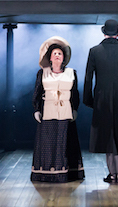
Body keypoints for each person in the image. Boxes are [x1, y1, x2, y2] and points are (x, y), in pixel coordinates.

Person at [83, 19, 118, 184]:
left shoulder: (94, 51)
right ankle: (117, 173)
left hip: (102, 98)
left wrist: (89, 100)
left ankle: (113, 174)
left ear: (104, 32)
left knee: (108, 136)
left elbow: (88, 78)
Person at [31, 36, 84, 182]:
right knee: (48, 142)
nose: (57, 56)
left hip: (65, 111)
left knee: (64, 142)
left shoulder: (71, 73)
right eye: (54, 53)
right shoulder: (42, 73)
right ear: (50, 57)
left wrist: (74, 109)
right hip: (48, 111)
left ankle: (65, 172)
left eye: (60, 53)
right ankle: (46, 172)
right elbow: (37, 92)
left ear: (64, 57)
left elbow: (75, 93)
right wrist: (37, 109)